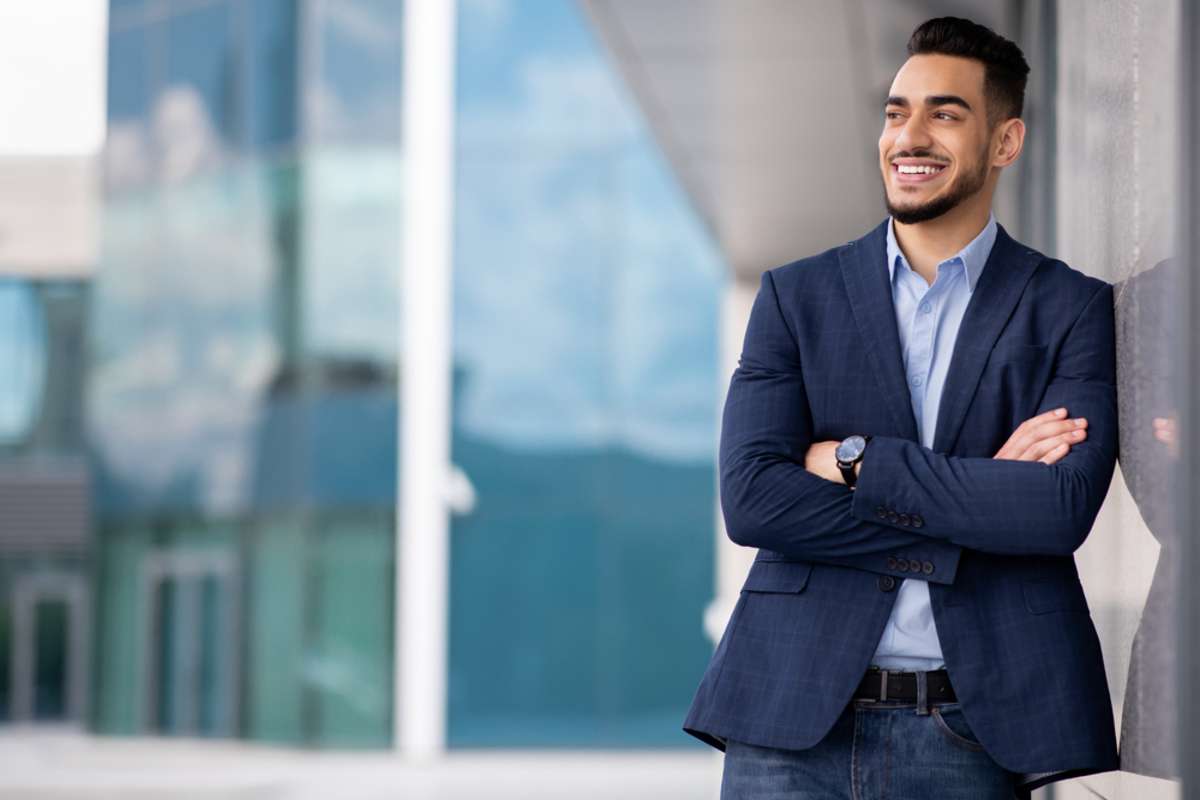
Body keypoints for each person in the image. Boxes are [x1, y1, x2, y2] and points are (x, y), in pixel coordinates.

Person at [682, 16, 1119, 799]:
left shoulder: (1070, 308)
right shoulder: (796, 297)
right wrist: (978, 496)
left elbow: (1056, 511)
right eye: (896, 113)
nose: (909, 137)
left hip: (969, 728)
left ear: (1006, 141)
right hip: (787, 724)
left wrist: (859, 464)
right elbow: (752, 501)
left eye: (944, 114)